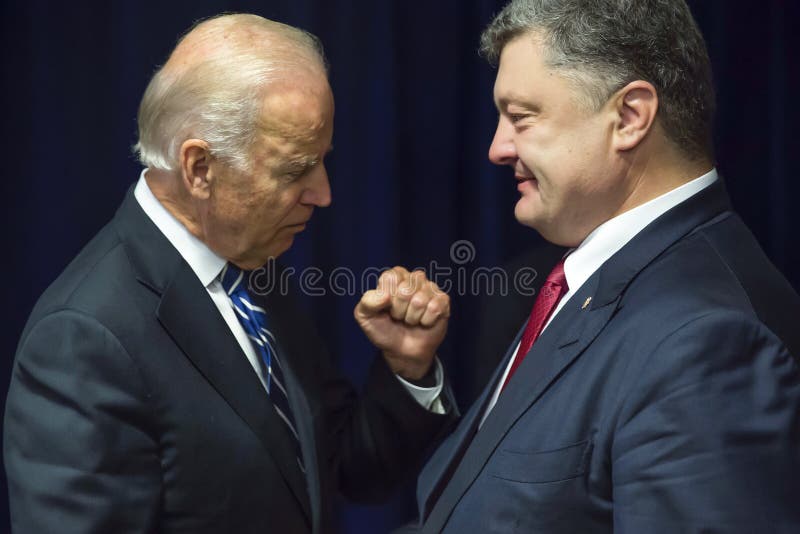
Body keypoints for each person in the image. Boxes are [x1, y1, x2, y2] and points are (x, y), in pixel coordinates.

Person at [4, 14, 456, 534]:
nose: (323, 193)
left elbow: (335, 471)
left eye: (322, 161)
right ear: (200, 169)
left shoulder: (251, 270)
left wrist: (406, 367)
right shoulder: (82, 338)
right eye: (294, 170)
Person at [410, 1, 800, 532]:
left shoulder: (708, 339)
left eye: (522, 117)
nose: (497, 148)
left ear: (630, 117)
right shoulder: (592, 278)